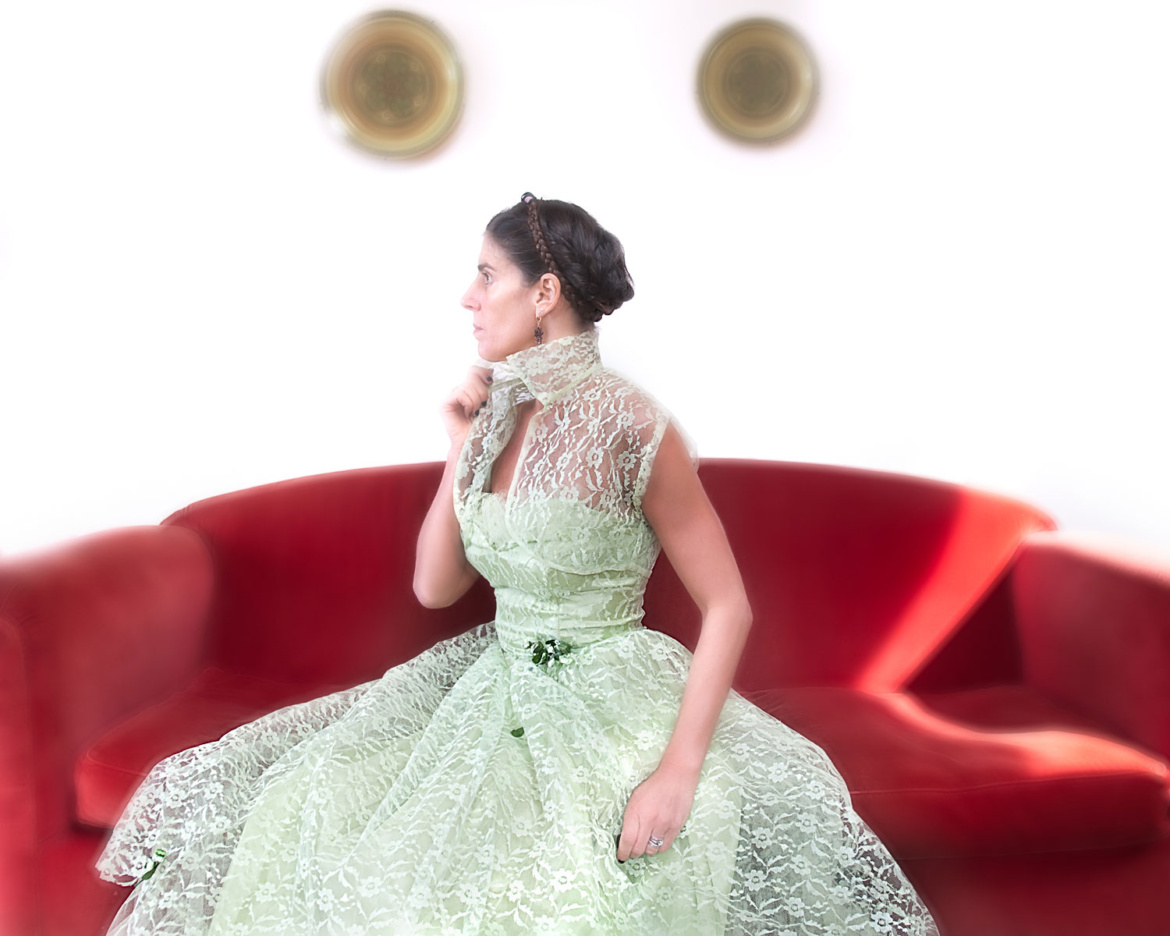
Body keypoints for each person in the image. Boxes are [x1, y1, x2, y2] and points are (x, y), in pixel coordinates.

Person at [96, 193, 940, 935]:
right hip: (492, 683)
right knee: (302, 798)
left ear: (544, 294)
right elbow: (436, 587)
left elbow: (729, 606)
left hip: (613, 695)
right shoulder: (496, 415)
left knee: (570, 878)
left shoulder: (635, 425)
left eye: (486, 275)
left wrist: (677, 773)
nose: (468, 297)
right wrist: (459, 448)